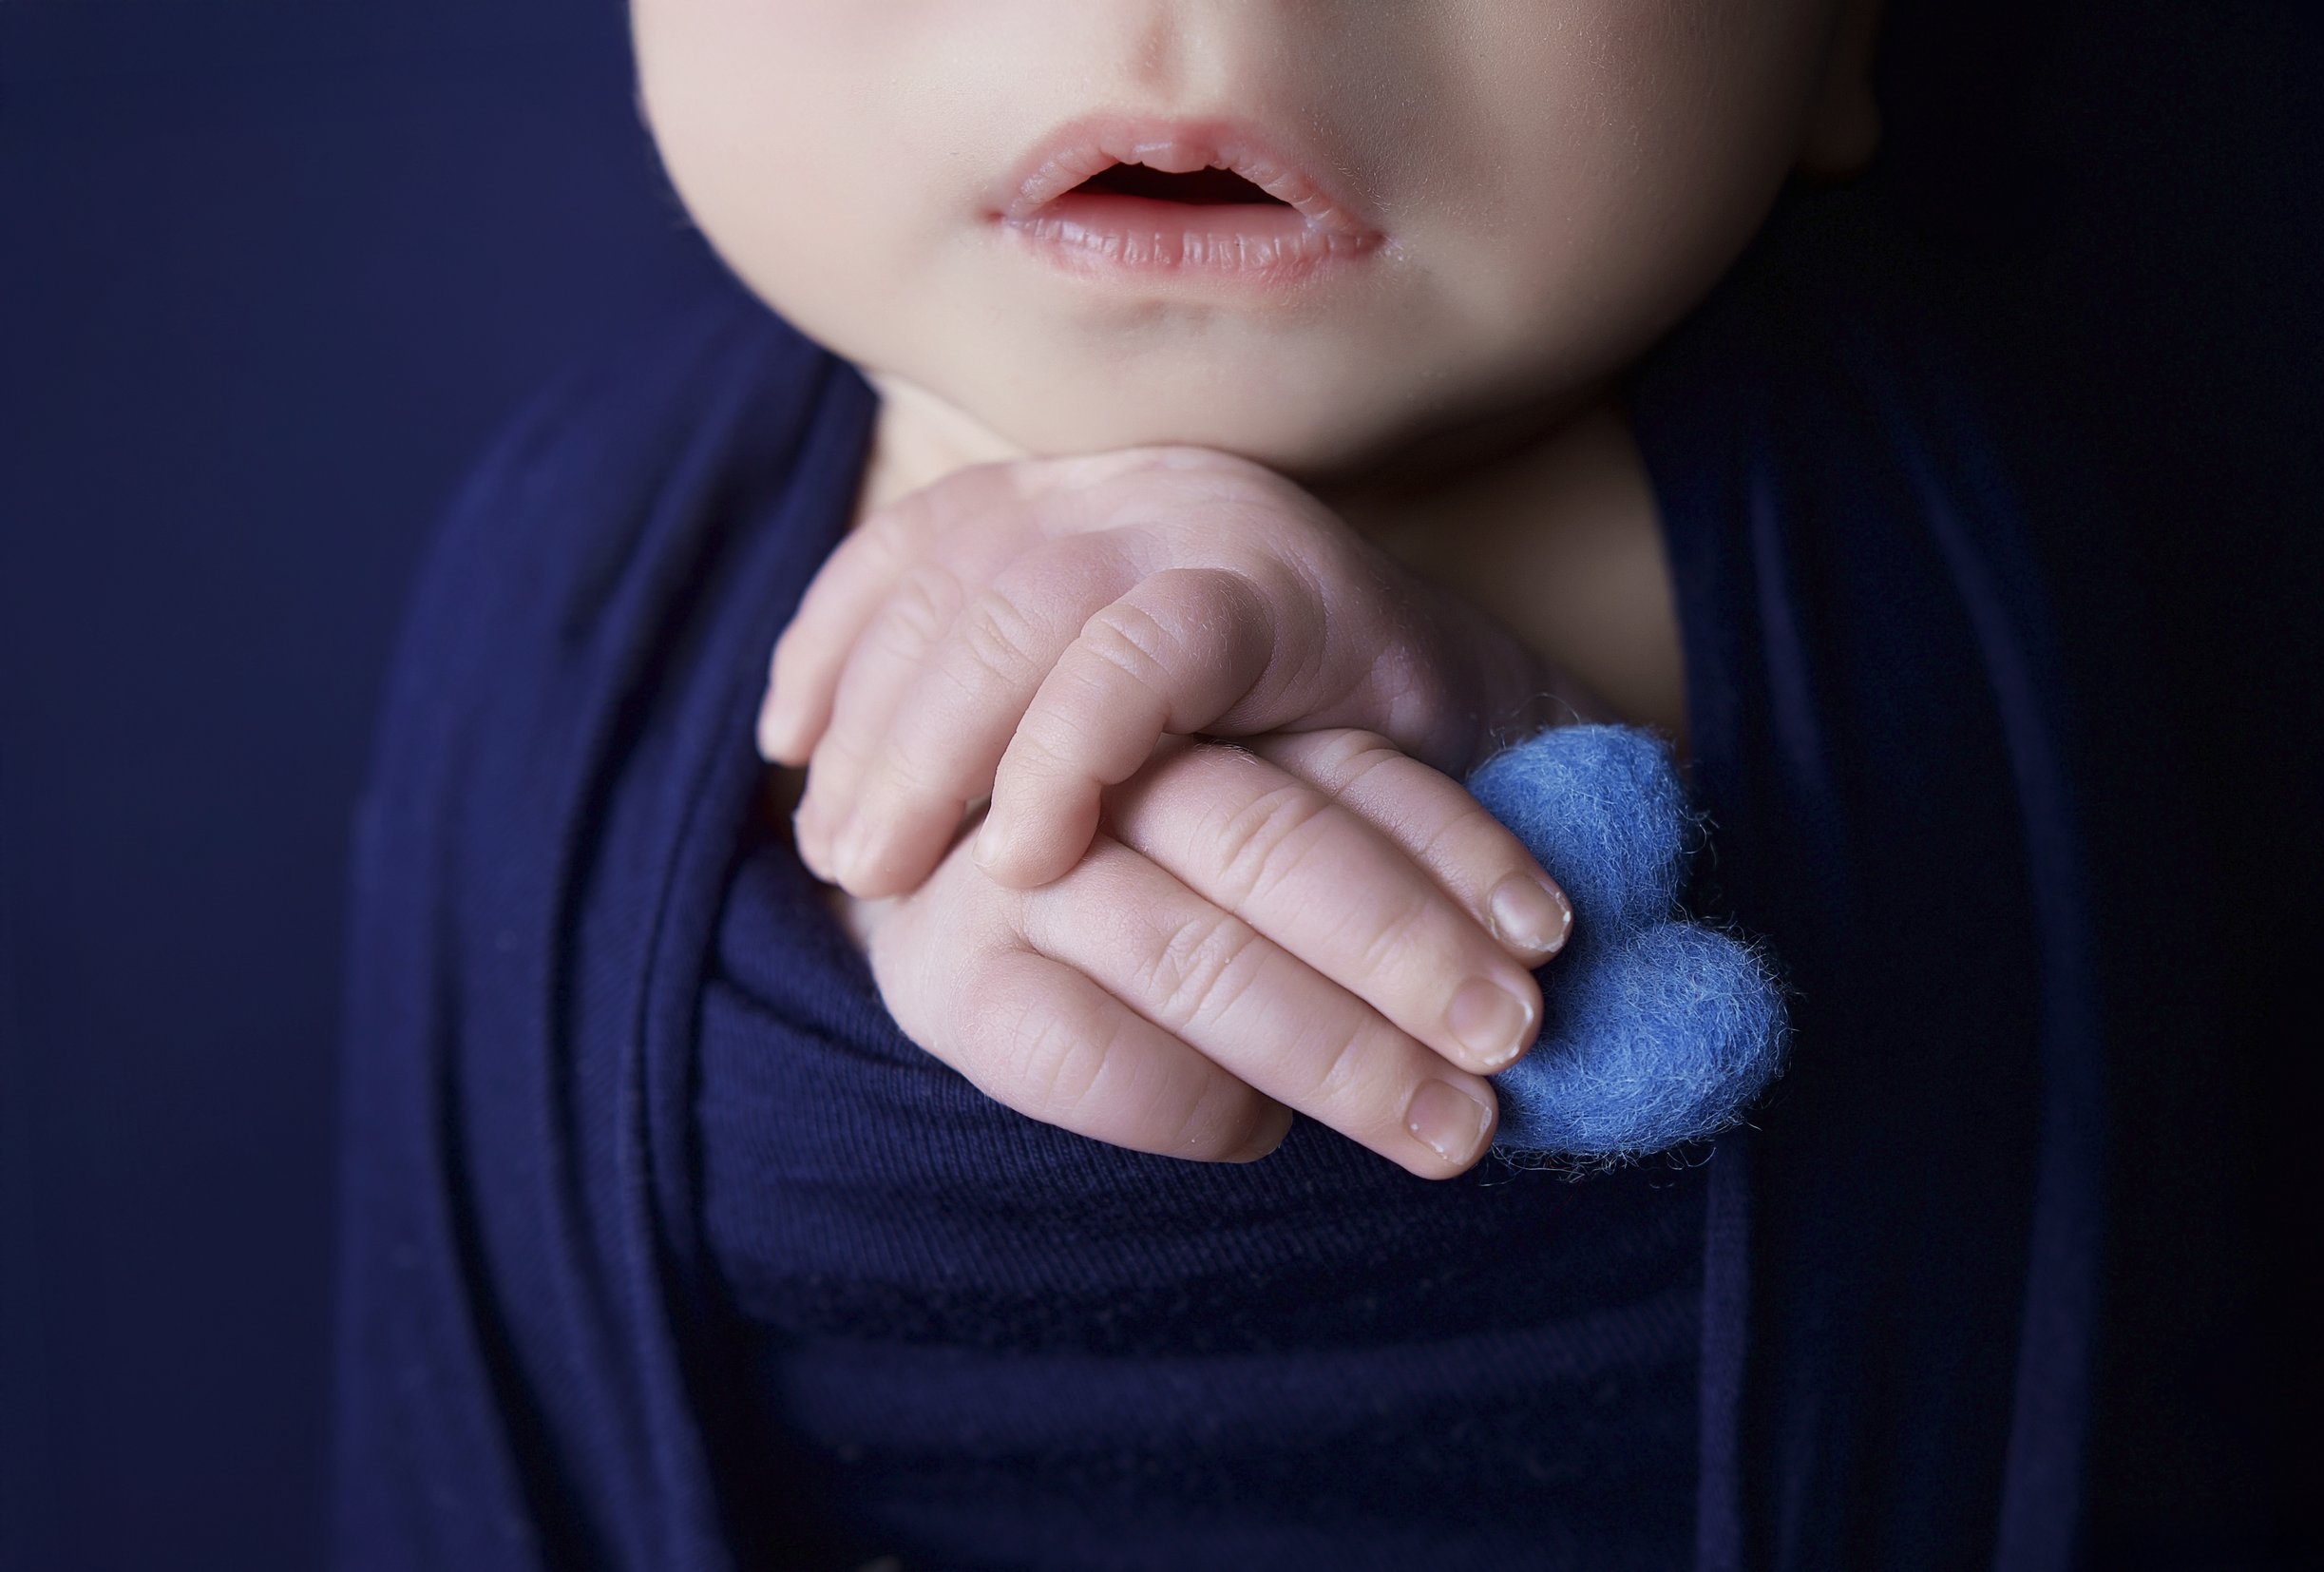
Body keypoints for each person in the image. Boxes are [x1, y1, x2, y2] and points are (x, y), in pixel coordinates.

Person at [335, 2, 2107, 1566]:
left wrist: (1506, 760)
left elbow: (1973, 1116)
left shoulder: (1991, 547)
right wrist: (919, 868)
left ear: (1838, 37)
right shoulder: (576, 579)